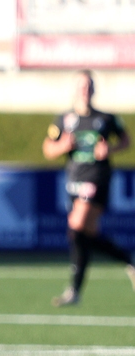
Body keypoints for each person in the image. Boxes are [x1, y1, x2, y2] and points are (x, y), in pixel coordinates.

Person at [42, 70, 135, 306]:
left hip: (97, 177)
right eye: (82, 86)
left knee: (76, 227)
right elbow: (48, 149)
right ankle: (127, 260)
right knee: (85, 235)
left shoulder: (106, 118)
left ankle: (74, 291)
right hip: (73, 179)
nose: (85, 90)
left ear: (94, 89)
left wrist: (110, 150)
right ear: (76, 89)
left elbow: (126, 140)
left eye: (89, 86)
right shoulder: (64, 119)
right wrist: (62, 146)